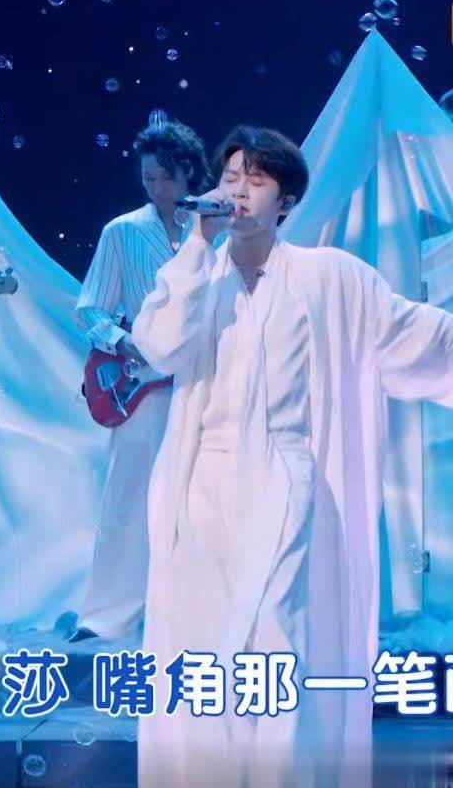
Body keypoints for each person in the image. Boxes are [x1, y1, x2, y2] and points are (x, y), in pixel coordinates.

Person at [132, 125, 453, 787]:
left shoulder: (330, 276)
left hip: (289, 477)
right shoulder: (195, 275)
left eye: (256, 179)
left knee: (280, 635)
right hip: (203, 482)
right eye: (230, 176)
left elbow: (416, 334)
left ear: (285, 200)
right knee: (208, 645)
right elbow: (158, 345)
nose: (238, 190)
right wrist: (195, 248)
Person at [71, 119, 212, 642]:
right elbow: (90, 307)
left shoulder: (218, 228)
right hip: (145, 380)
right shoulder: (124, 231)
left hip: (210, 380)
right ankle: (107, 614)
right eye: (148, 177)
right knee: (128, 498)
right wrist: (122, 341)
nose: (156, 187)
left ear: (189, 172)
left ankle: (200, 615)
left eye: (166, 177)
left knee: (209, 499)